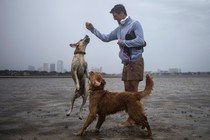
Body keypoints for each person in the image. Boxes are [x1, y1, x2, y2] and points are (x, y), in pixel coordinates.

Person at [85, 4, 146, 127]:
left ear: (122, 13)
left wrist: (123, 42)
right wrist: (92, 29)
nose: (115, 19)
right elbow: (106, 38)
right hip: (126, 63)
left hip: (136, 61)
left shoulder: (135, 24)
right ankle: (135, 118)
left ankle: (133, 119)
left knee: (133, 92)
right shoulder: (119, 29)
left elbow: (141, 41)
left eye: (115, 16)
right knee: (127, 93)